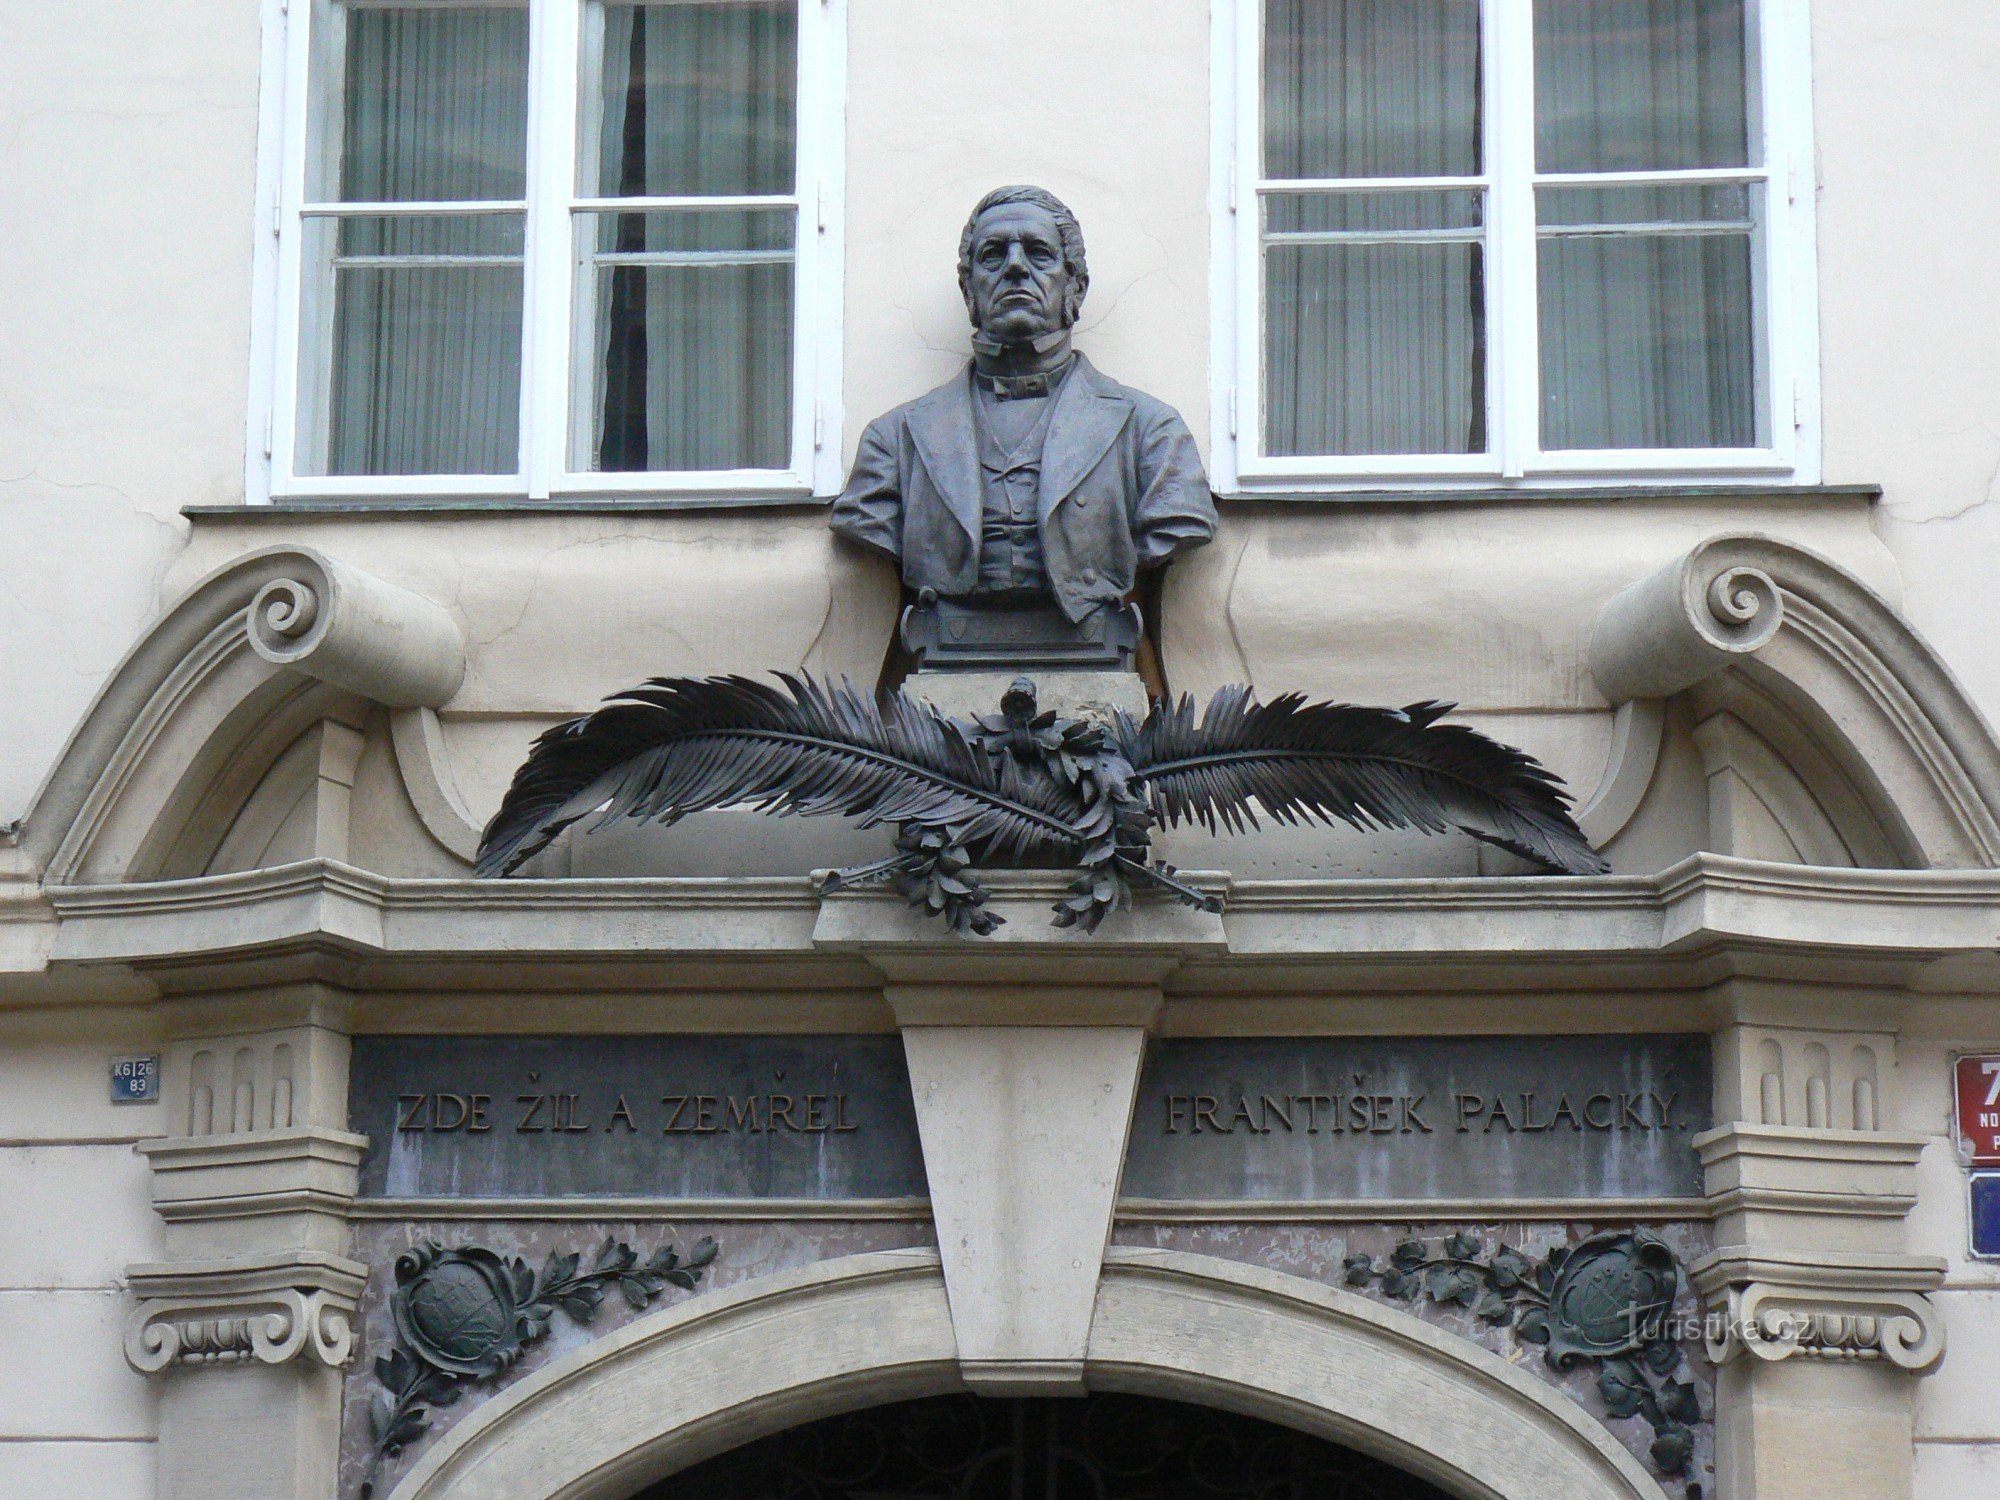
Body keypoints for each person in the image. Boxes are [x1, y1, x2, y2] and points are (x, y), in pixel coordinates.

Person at [832, 185, 1217, 668]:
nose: (1016, 267)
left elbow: (1178, 524)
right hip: (944, 658)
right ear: (968, 288)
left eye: (1038, 253)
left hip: (1097, 658)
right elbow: (865, 522)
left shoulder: (1151, 433)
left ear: (1074, 286)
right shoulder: (895, 439)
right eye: (993, 255)